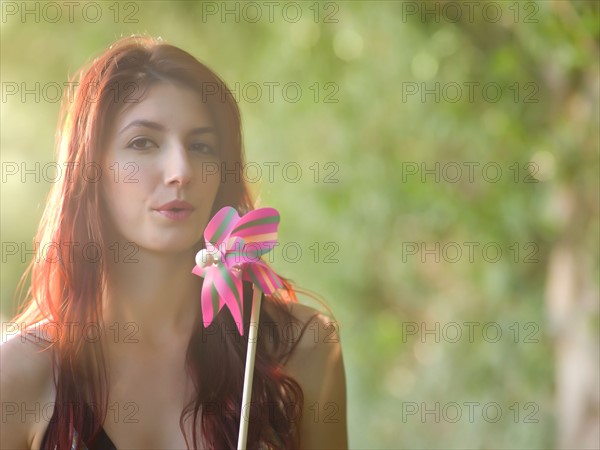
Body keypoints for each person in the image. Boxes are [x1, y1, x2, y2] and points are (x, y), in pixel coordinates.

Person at [1, 35, 348, 450]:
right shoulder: (21, 375)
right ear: (90, 170)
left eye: (201, 146)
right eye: (143, 142)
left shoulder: (303, 346)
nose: (180, 170)